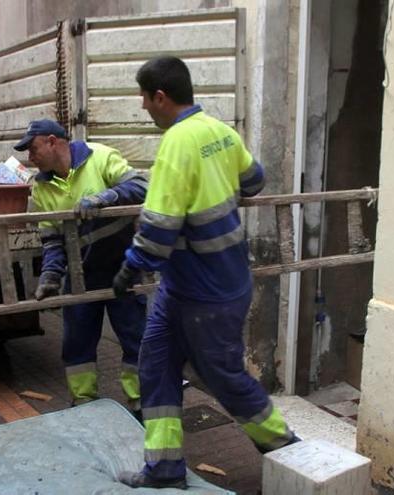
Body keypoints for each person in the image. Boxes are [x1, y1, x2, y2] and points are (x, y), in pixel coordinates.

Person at [112, 56, 299, 489]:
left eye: (144, 98)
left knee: (225, 379)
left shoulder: (177, 143)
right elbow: (255, 180)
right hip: (190, 288)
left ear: (160, 97)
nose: (142, 107)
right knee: (155, 367)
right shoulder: (221, 132)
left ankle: (288, 450)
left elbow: (159, 227)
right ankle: (164, 469)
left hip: (208, 293)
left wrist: (130, 268)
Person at [14, 119, 148, 417]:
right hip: (80, 277)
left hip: (122, 270)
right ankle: (84, 405)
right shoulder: (41, 188)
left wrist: (106, 197)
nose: (30, 158)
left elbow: (140, 186)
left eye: (33, 149)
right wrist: (50, 275)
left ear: (52, 141)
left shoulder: (100, 157)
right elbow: (52, 240)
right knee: (77, 345)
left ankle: (141, 404)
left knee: (135, 339)